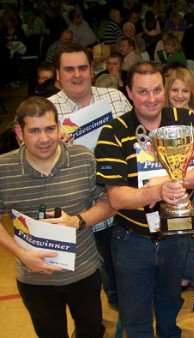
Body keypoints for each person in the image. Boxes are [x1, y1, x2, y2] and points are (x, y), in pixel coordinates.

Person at [95, 61, 194, 338]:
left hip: (176, 235)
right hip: (132, 239)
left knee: (169, 307)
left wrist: (173, 181)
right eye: (142, 92)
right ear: (128, 92)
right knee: (135, 317)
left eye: (156, 90)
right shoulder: (113, 132)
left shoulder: (188, 120)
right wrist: (155, 193)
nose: (151, 98)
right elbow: (115, 197)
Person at [0, 96, 115, 338]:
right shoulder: (4, 169)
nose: (44, 139)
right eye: (34, 131)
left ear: (59, 127)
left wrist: (77, 221)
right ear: (19, 132)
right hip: (35, 280)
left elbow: (109, 202)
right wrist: (21, 254)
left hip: (84, 273)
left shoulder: (83, 159)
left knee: (91, 332)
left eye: (50, 129)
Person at [48, 42, 131, 309]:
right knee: (85, 285)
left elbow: (138, 142)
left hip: (121, 205)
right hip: (76, 211)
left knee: (123, 275)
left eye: (82, 68)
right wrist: (54, 148)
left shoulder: (115, 98)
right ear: (57, 74)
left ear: (91, 70)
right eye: (69, 69)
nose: (77, 75)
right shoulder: (46, 111)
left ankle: (123, 311)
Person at [164, 65, 194, 309]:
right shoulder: (158, 119)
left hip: (193, 188)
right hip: (165, 191)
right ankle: (174, 288)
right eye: (175, 90)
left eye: (185, 91)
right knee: (170, 239)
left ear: (192, 94)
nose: (179, 95)